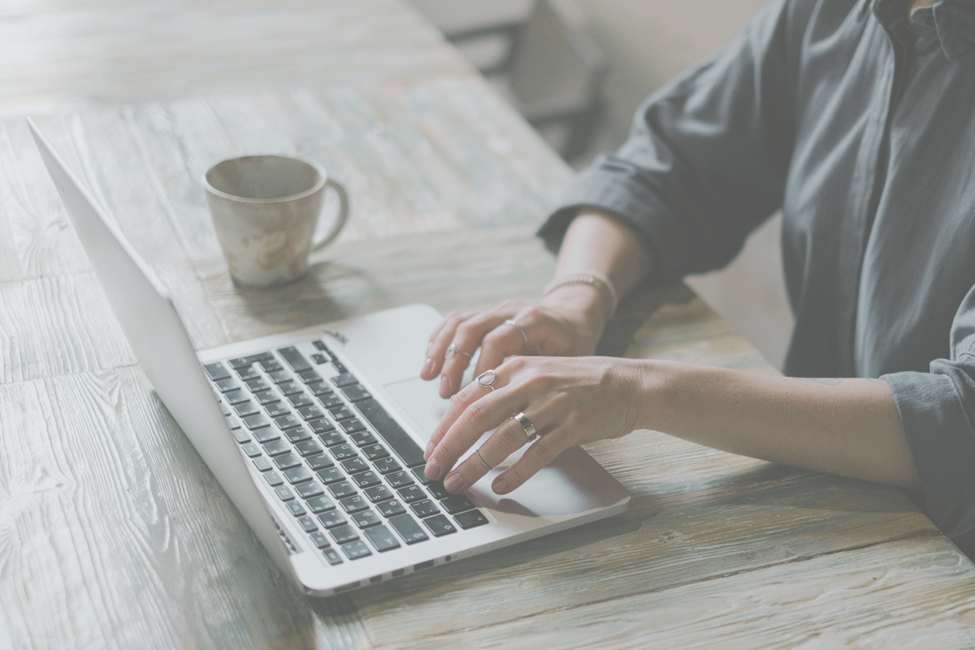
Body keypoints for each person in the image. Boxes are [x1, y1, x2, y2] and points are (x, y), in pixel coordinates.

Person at [420, 0, 975, 557]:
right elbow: (667, 168)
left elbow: (960, 421)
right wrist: (578, 297)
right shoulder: (831, 13)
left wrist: (636, 390)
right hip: (824, 499)